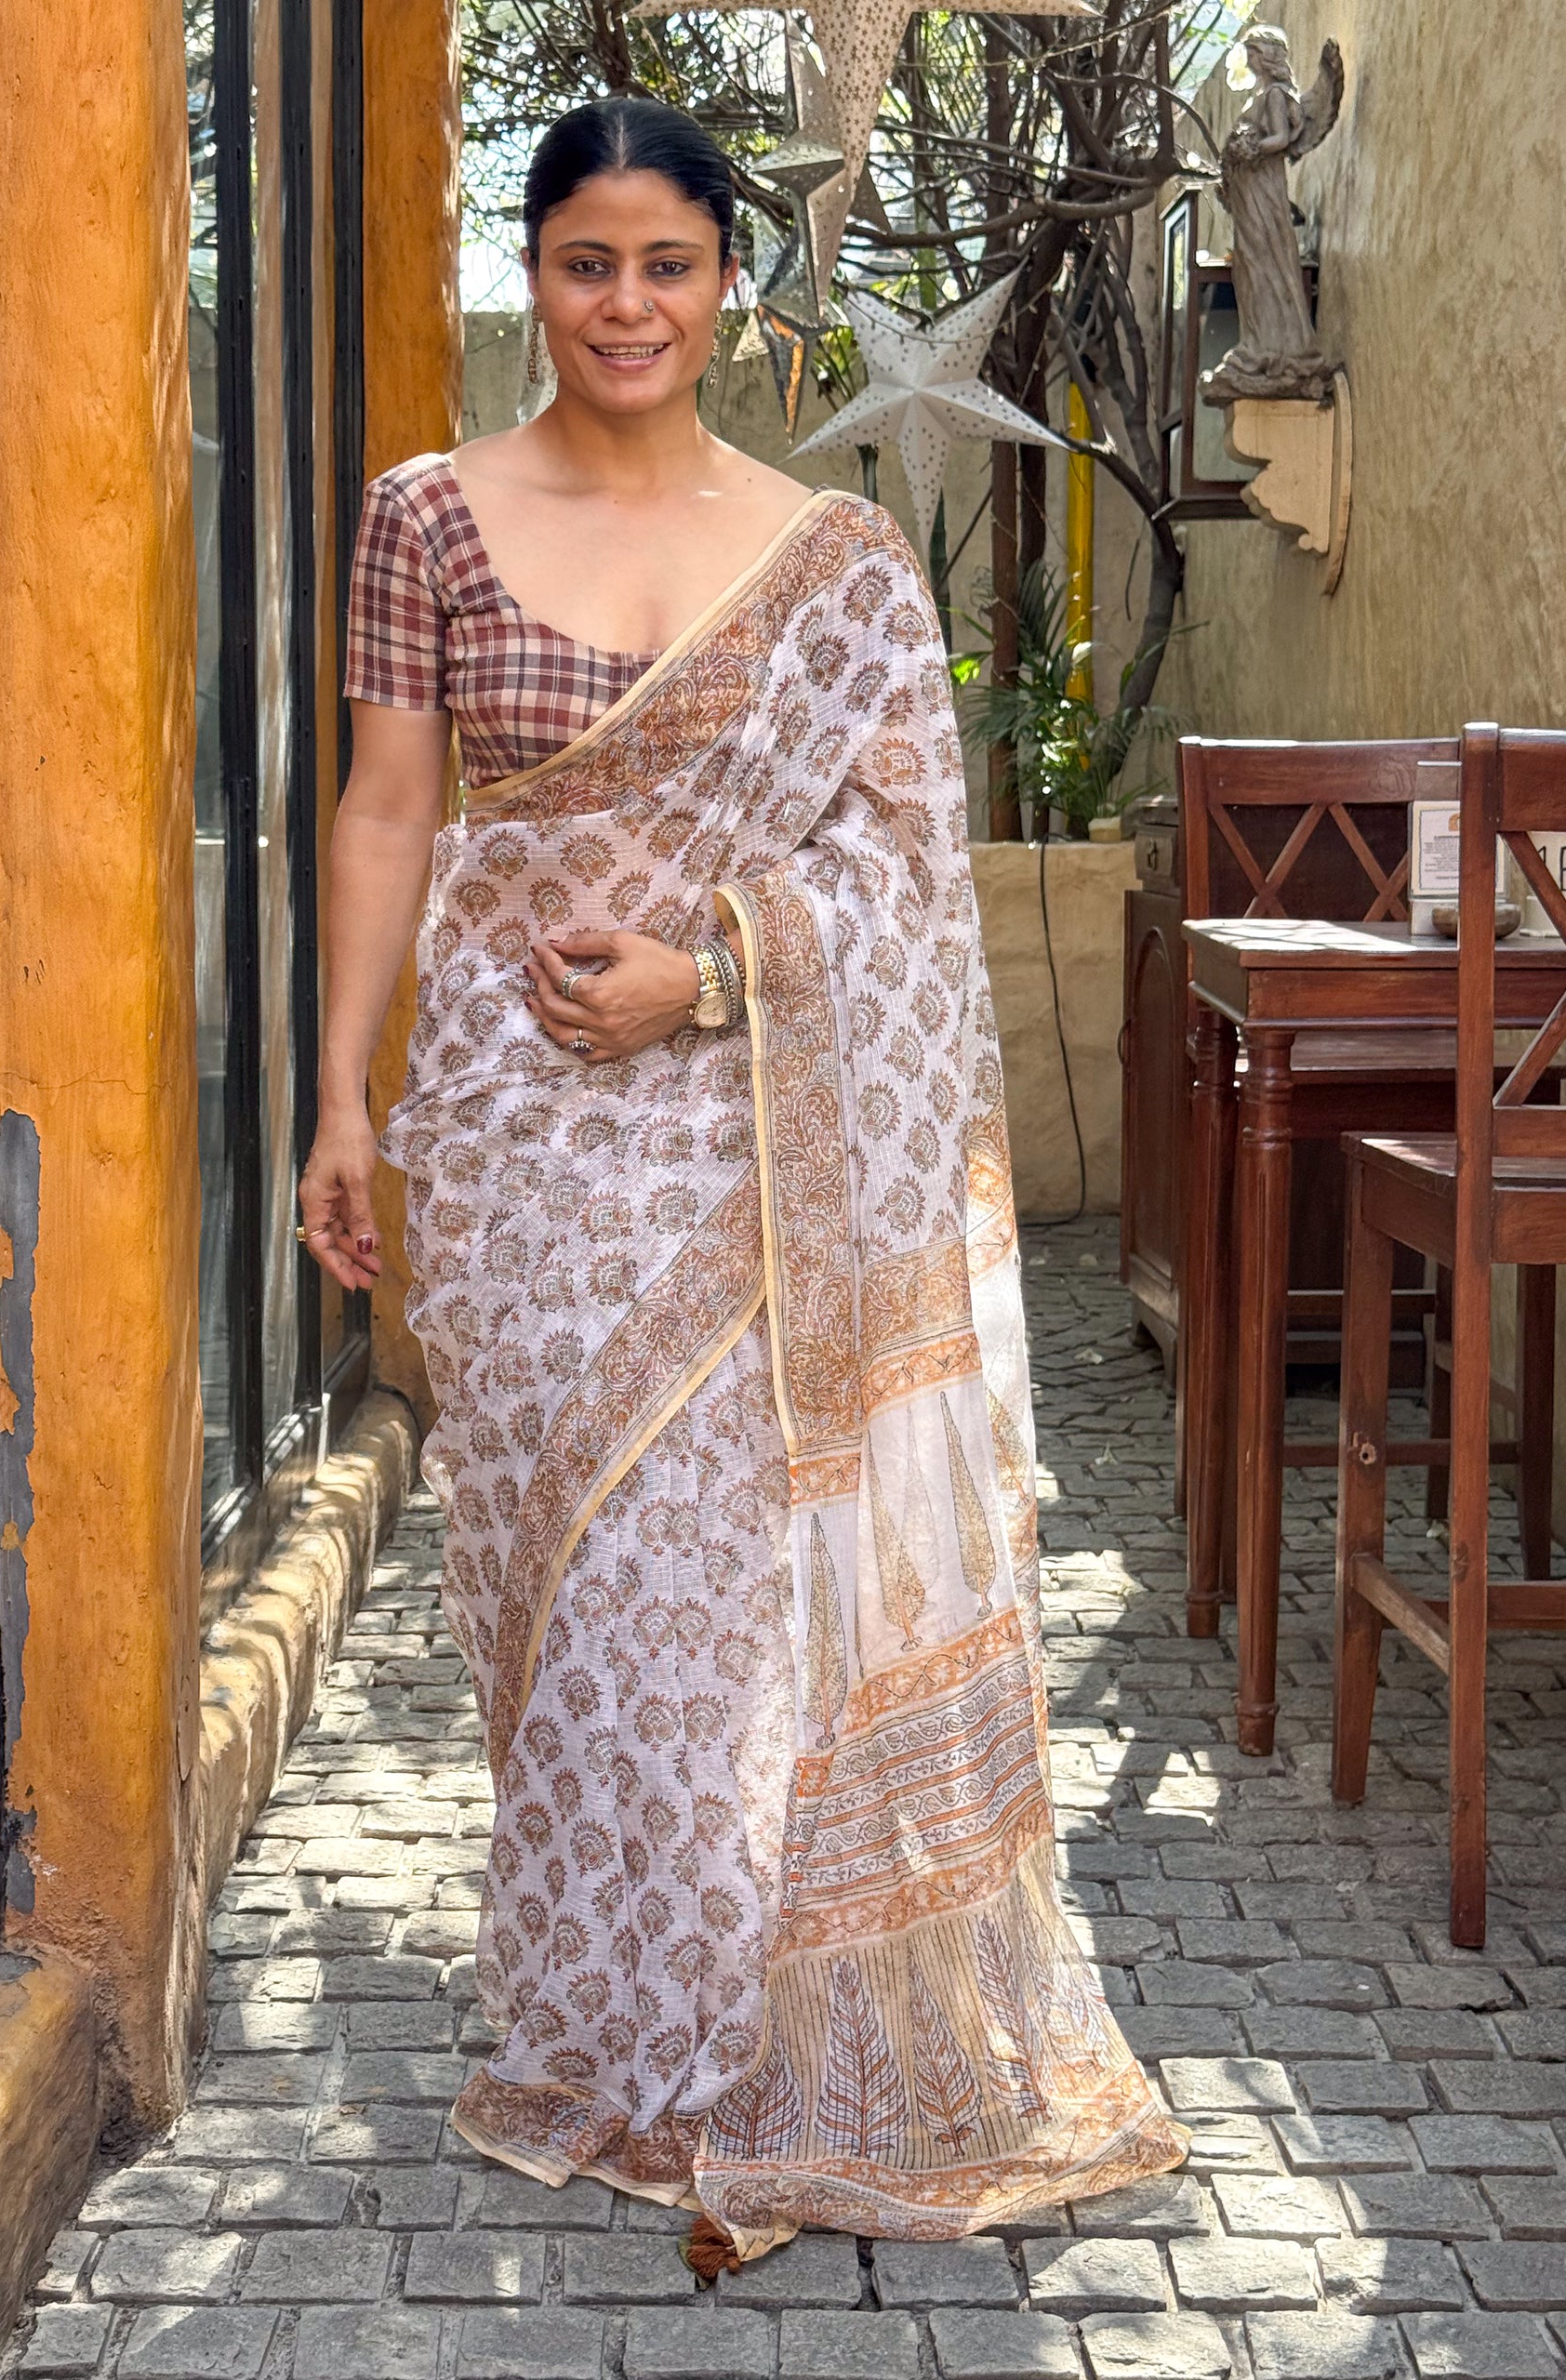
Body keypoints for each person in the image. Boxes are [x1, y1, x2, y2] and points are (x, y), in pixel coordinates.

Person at [298, 94, 1183, 2265]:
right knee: (575, 1593)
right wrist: (340, 1097)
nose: (627, 305)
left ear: (726, 284)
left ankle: (733, 2064)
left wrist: (705, 978)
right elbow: (388, 809)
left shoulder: (830, 560)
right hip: (518, 1155)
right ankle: (615, 2032)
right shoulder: (424, 515)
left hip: (744, 1150)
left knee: (713, 1609)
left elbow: (898, 878)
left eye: (668, 265)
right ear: (536, 274)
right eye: (586, 263)